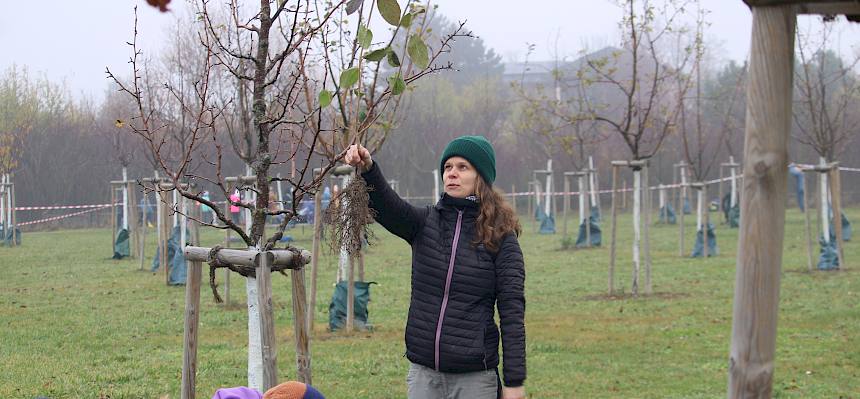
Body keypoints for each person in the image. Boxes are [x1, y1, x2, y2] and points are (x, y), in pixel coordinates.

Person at [344, 135, 526, 399]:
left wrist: (514, 382)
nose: (452, 173)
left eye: (463, 167)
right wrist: (369, 168)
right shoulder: (425, 223)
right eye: (448, 167)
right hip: (424, 375)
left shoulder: (501, 238)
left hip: (475, 378)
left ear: (481, 177)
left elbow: (512, 315)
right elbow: (387, 206)